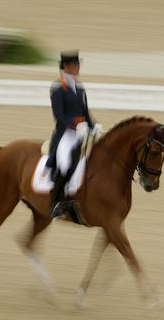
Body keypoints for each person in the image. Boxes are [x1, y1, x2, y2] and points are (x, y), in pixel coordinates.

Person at [43, 50, 96, 218]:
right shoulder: (58, 87)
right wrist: (75, 125)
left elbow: (85, 112)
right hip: (66, 133)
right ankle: (56, 203)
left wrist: (94, 126)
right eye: (75, 65)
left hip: (82, 131)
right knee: (65, 162)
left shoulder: (79, 88)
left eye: (78, 64)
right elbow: (59, 115)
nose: (78, 68)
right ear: (66, 66)